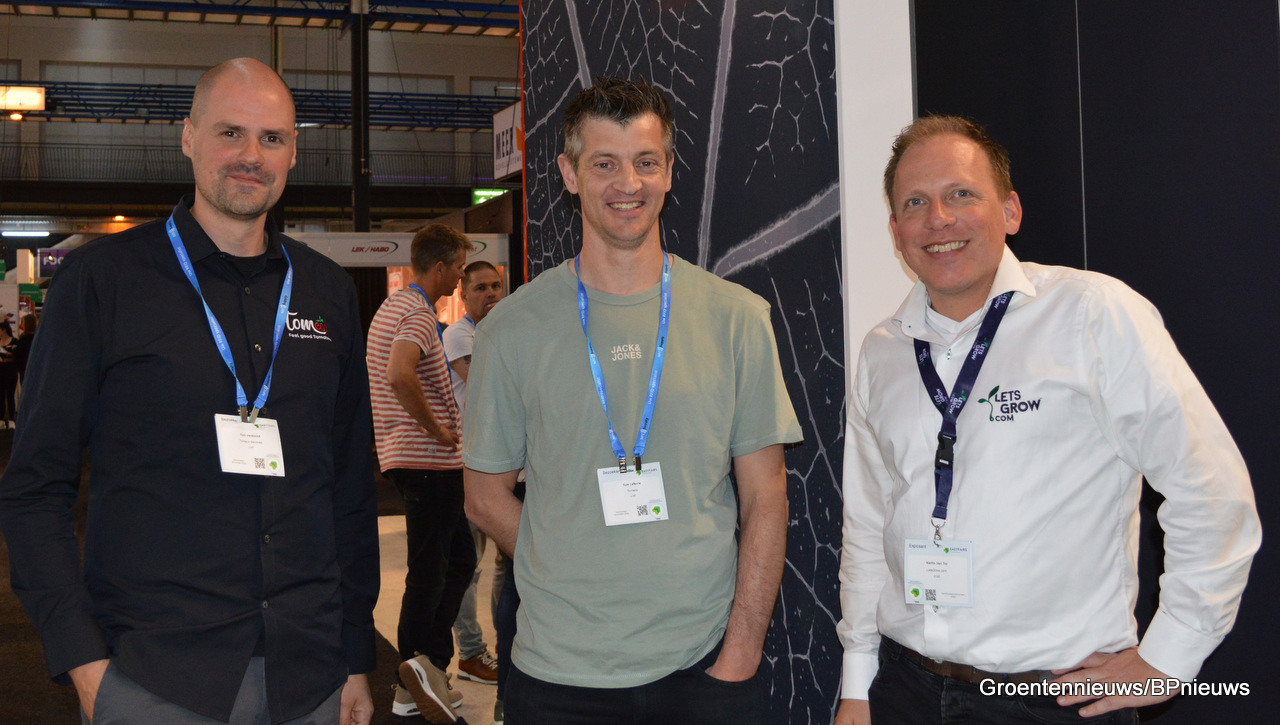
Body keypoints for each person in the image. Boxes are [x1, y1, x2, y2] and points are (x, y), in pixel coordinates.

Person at [835, 116, 1260, 725]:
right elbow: (869, 523)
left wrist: (1169, 657)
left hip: (1052, 699)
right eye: (915, 203)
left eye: (961, 194)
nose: (939, 219)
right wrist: (858, 682)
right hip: (905, 690)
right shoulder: (883, 352)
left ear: (1010, 211)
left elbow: (1211, 489)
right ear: (896, 232)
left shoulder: (1093, 314)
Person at [0, 58, 379, 725]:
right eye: (231, 132)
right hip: (155, 679)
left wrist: (355, 654)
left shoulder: (327, 291)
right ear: (188, 137)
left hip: (309, 674)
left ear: (293, 151)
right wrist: (84, 662)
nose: (251, 155)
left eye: (271, 138)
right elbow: (34, 485)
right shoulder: (104, 280)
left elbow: (348, 486)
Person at [462, 76, 803, 724]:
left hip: (703, 670)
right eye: (604, 164)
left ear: (669, 171)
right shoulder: (511, 328)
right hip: (557, 677)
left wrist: (741, 651)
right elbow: (482, 494)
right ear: (569, 174)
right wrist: (559, 560)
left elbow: (767, 494)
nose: (629, 183)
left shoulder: (737, 318)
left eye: (646, 162)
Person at [366, 224, 472, 724]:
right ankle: (413, 675)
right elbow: (398, 372)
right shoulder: (416, 313)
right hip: (427, 461)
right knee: (432, 570)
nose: (460, 279)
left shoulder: (394, 308)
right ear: (440, 266)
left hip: (417, 461)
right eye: (459, 269)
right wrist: (437, 427)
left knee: (454, 562)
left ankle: (427, 667)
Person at [443, 261, 503, 689]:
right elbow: (489, 385)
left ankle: (507, 646)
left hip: (508, 467)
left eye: (496, 286)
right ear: (463, 294)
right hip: (471, 466)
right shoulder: (458, 335)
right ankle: (469, 651)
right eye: (480, 288)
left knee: (507, 564)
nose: (491, 294)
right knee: (468, 567)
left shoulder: (503, 331)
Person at [0, 319, 17, 428]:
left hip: (11, 371)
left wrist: (9, 357)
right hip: (1, 371)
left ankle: (11, 418)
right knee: (1, 395)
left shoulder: (14, 341)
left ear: (4, 330)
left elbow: (18, 356)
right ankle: (1, 418)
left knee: (10, 395)